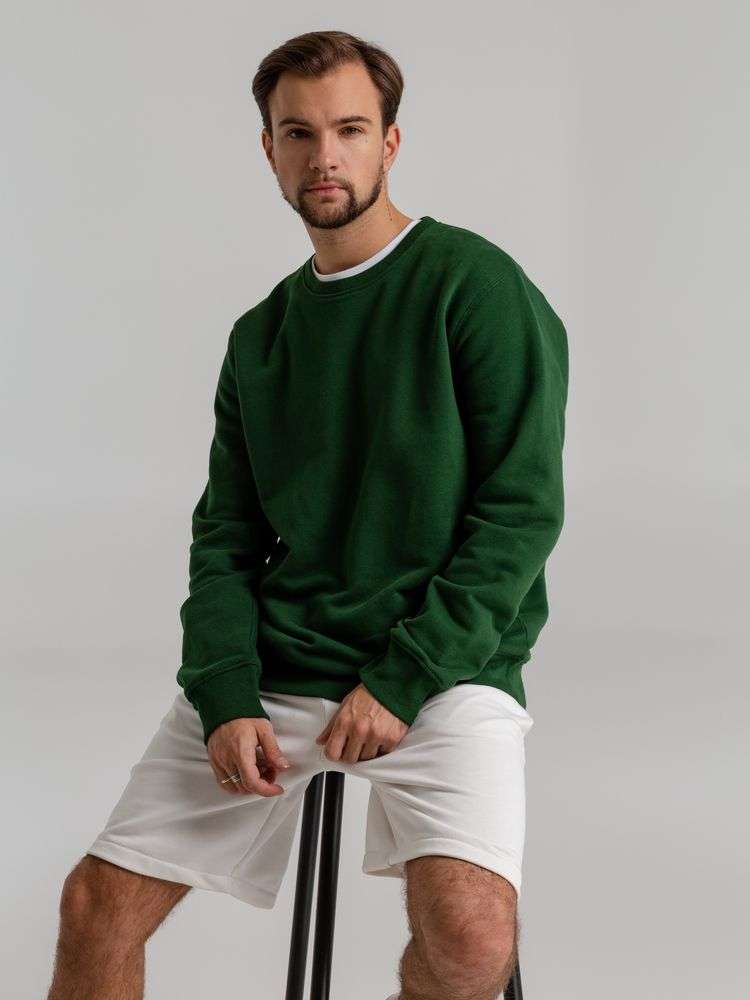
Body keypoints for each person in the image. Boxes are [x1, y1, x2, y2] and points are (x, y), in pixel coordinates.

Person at [47, 29, 568, 1000]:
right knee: (94, 906)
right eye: (299, 133)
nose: (324, 156)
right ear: (270, 150)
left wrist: (406, 677)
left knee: (470, 938)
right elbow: (227, 537)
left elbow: (520, 512)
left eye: (350, 129)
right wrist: (224, 690)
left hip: (445, 669)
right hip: (282, 664)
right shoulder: (262, 335)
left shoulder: (474, 286)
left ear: (390, 142)